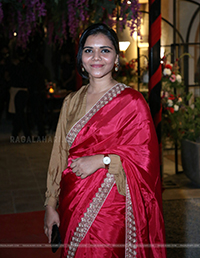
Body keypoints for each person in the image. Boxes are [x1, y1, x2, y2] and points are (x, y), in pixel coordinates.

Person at [44, 23, 166, 257]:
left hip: (112, 206)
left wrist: (103, 160)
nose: (96, 57)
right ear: (81, 58)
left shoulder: (132, 102)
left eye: (105, 50)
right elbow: (59, 153)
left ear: (116, 59)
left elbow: (146, 161)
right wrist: (50, 204)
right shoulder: (71, 102)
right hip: (72, 200)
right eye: (89, 50)